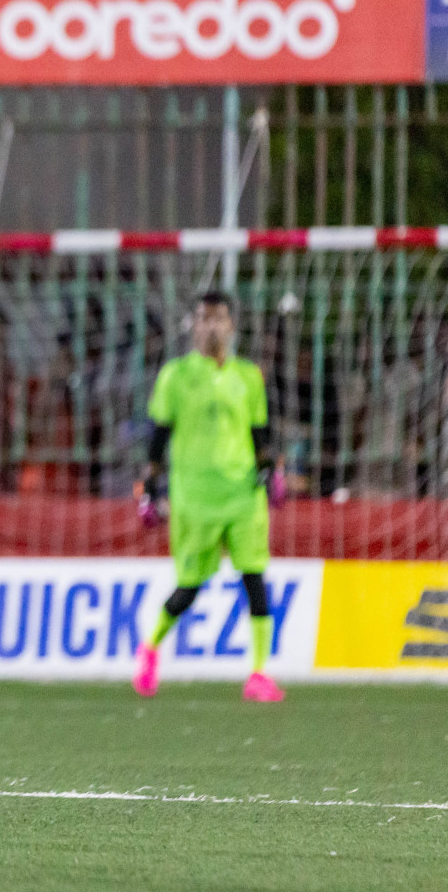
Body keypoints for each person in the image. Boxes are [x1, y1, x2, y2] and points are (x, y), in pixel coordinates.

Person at [132, 291, 286, 704]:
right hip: (194, 496)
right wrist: (149, 484)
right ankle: (149, 649)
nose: (210, 326)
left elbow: (259, 433)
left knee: (254, 577)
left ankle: (258, 672)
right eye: (202, 319)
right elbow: (158, 436)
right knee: (191, 585)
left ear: (232, 326)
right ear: (193, 326)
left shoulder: (249, 376)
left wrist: (270, 467)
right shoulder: (175, 375)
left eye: (218, 319)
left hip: (242, 493)